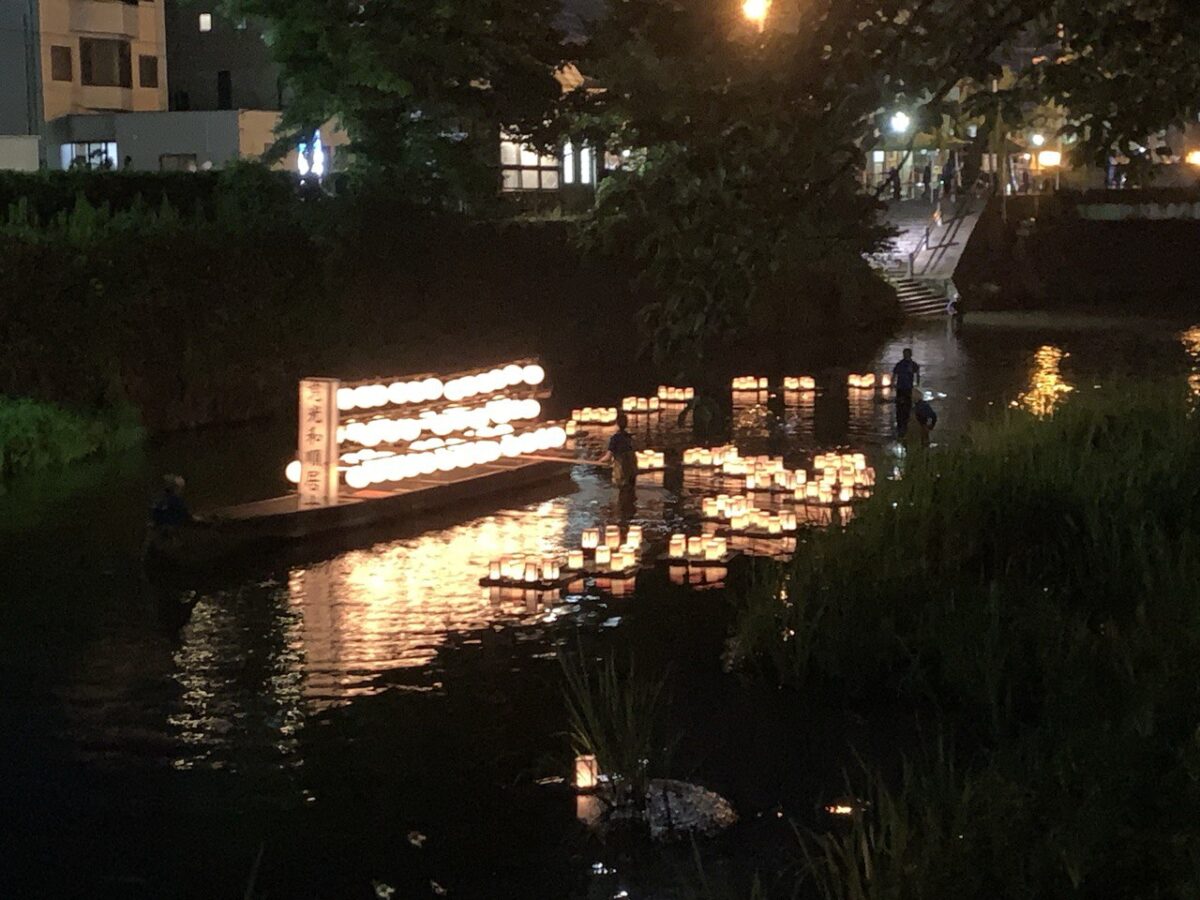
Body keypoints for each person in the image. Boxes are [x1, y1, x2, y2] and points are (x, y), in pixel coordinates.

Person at [599, 414, 638, 490]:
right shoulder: (629, 437)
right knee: (631, 491)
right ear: (627, 423)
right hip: (632, 468)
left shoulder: (615, 439)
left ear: (617, 423)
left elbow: (608, 457)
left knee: (622, 490)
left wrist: (600, 461)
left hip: (621, 468)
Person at [892, 348, 921, 438]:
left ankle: (904, 423)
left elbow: (918, 374)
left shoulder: (913, 365)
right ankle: (900, 423)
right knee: (899, 406)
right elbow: (894, 374)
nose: (906, 355)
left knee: (907, 406)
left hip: (908, 388)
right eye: (905, 354)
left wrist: (917, 384)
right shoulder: (900, 364)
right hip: (900, 387)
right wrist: (892, 383)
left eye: (907, 354)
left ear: (910, 354)